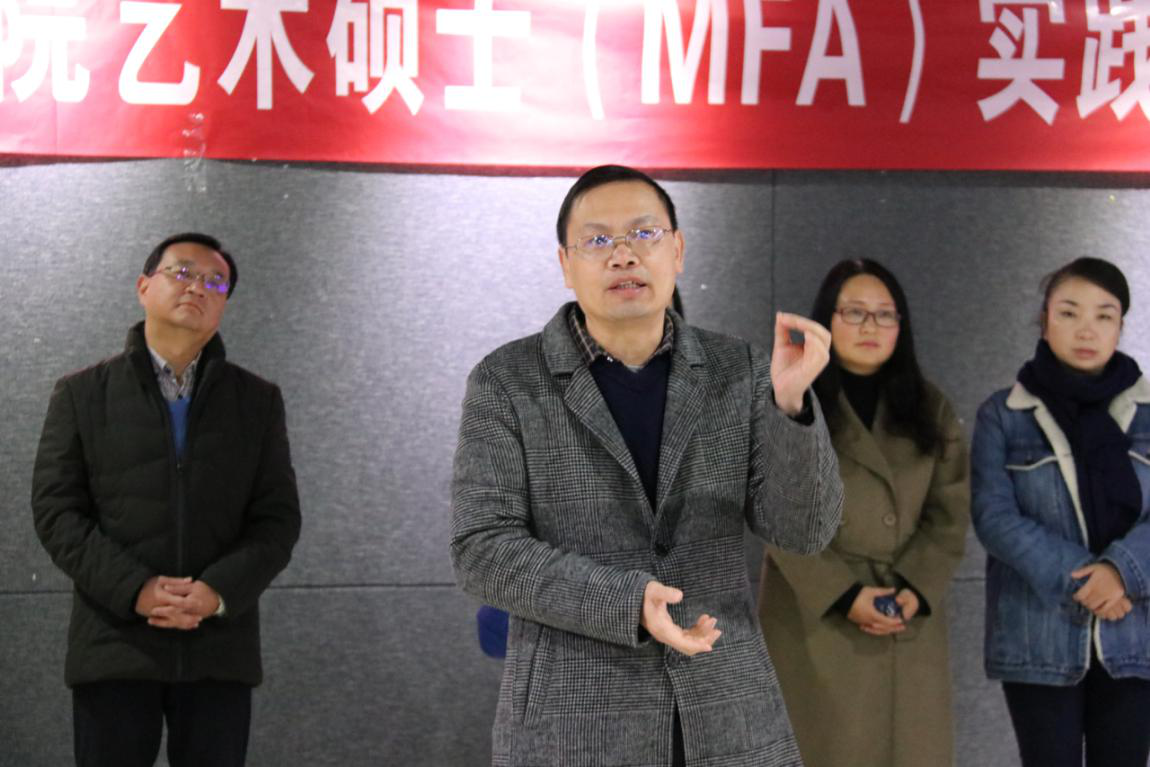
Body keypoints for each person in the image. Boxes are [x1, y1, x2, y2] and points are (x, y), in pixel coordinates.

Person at [451, 165, 844, 766]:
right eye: (597, 240)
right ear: (565, 264)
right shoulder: (508, 381)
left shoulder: (739, 370)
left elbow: (804, 531)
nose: (623, 254)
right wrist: (626, 601)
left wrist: (789, 405)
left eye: (644, 234)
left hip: (728, 714)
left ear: (677, 250)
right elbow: (481, 550)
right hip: (574, 720)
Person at [31, 233, 301, 767]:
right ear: (143, 286)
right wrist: (136, 589)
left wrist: (217, 592)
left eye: (215, 282)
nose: (197, 287)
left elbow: (277, 520)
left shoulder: (257, 401)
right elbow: (57, 512)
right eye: (182, 272)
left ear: (223, 305)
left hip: (218, 646)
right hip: (115, 644)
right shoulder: (82, 394)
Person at [757, 258, 969, 767]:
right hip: (815, 613)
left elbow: (950, 513)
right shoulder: (791, 397)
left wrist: (914, 588)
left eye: (885, 314)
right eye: (854, 312)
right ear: (826, 319)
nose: (870, 326)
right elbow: (772, 507)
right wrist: (844, 594)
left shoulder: (930, 407)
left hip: (904, 611)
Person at [971, 257, 1150, 767]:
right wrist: (1085, 580)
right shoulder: (1003, 414)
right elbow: (994, 516)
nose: (1086, 330)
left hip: (1134, 629)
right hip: (1038, 634)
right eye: (1069, 313)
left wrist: (1121, 572)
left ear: (1120, 326)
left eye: (1104, 315)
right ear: (1045, 321)